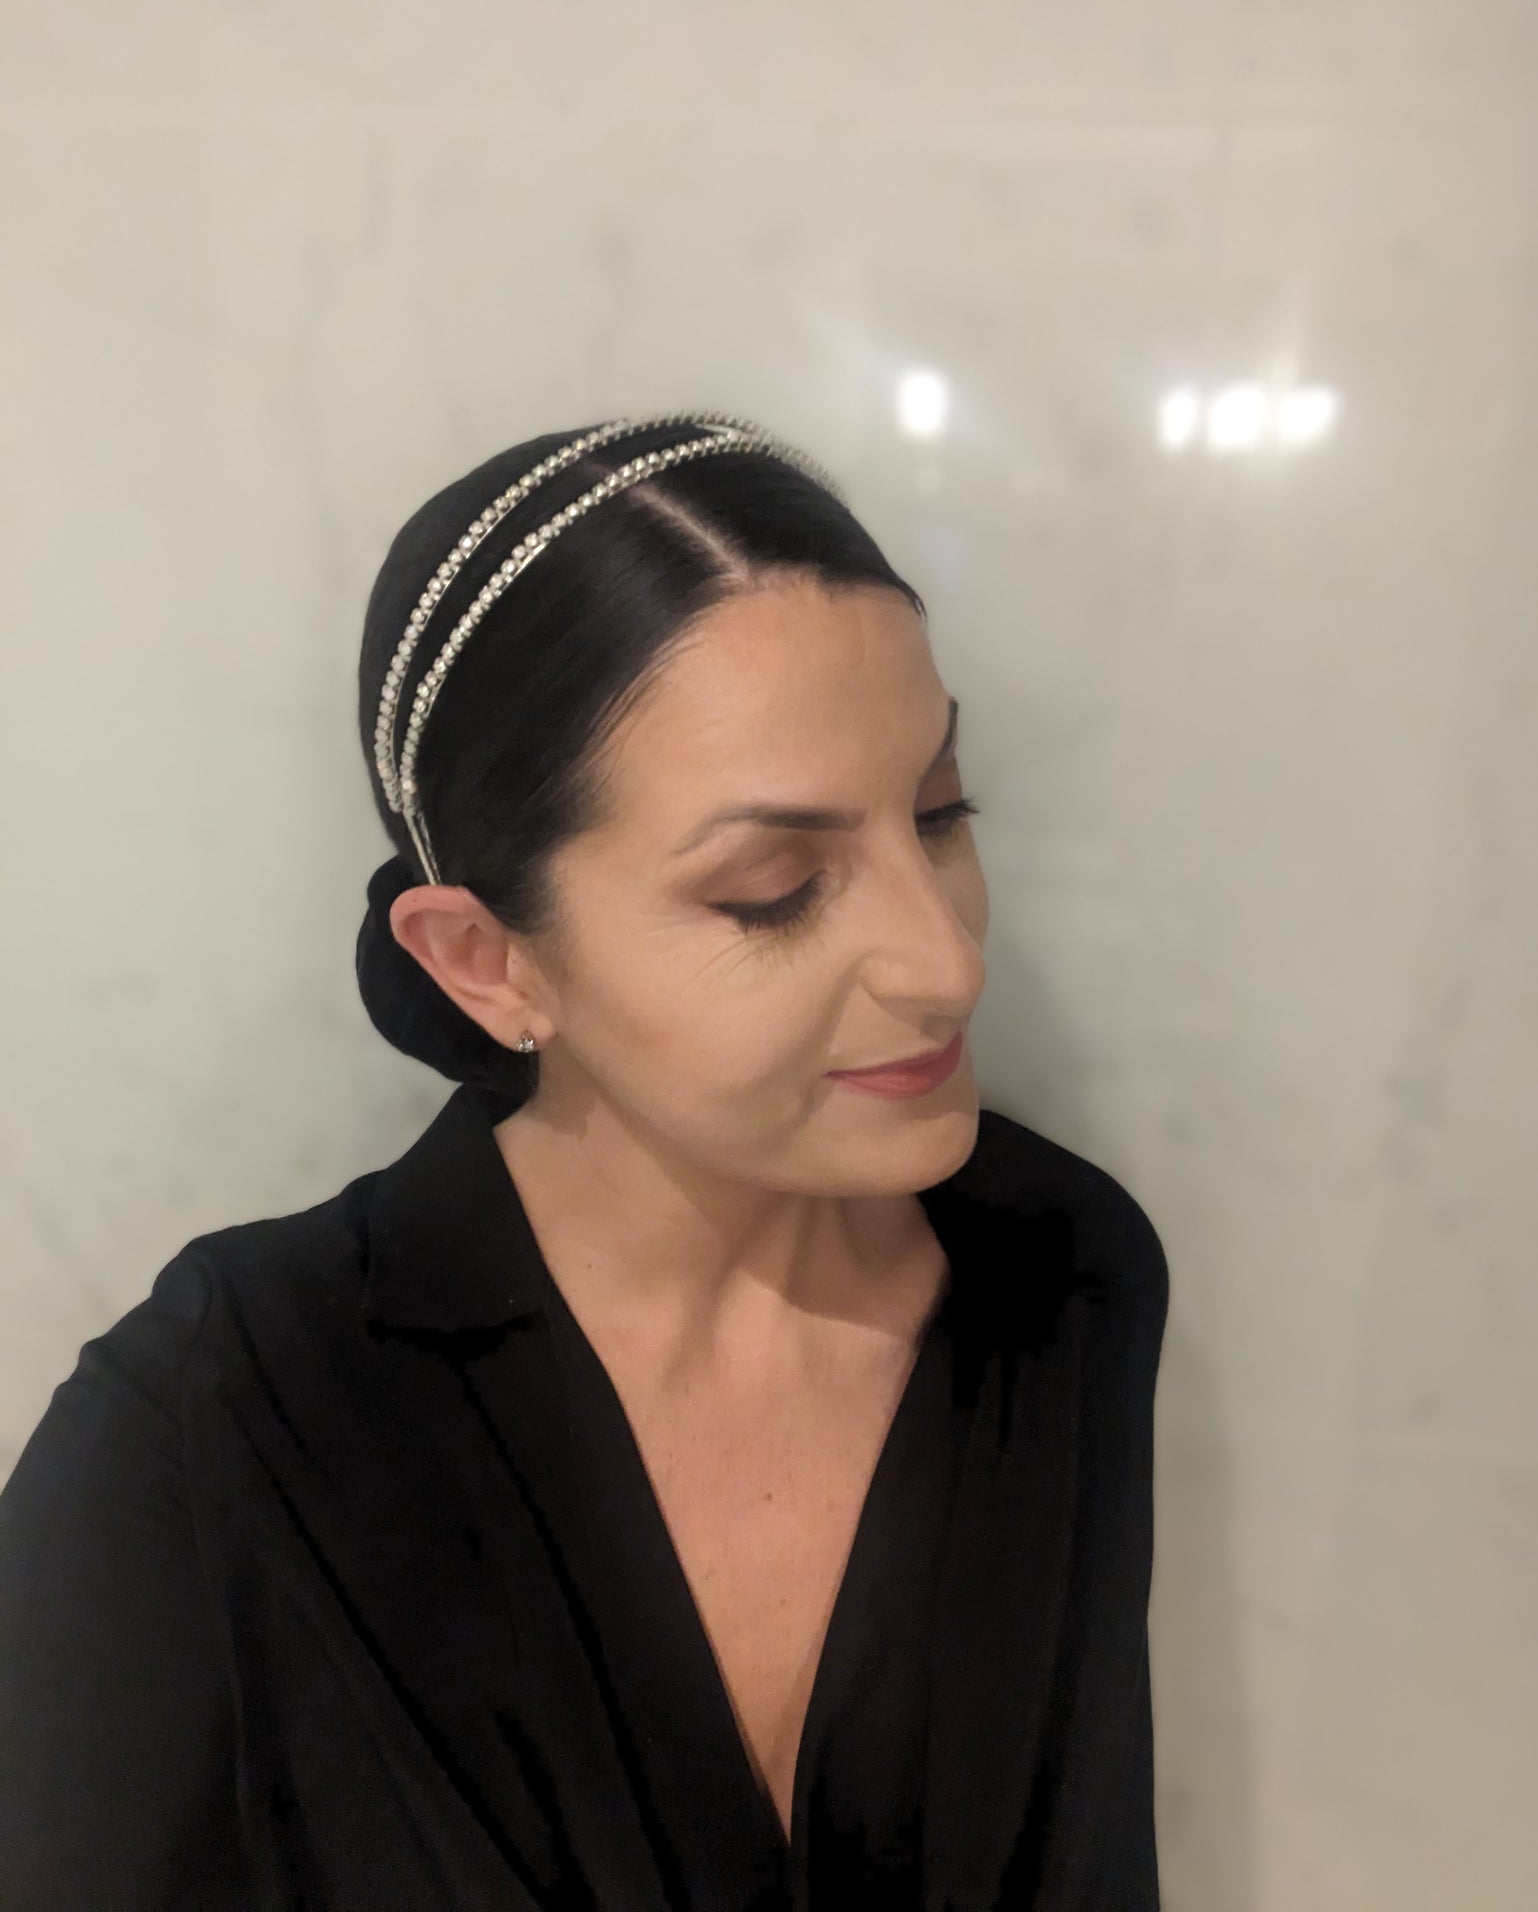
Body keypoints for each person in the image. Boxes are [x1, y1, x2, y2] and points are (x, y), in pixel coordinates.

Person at [0, 411, 1169, 1909]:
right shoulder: (215, 1430)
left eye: (940, 814)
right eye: (774, 889)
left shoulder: (1059, 1268)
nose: (948, 963)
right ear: (486, 959)